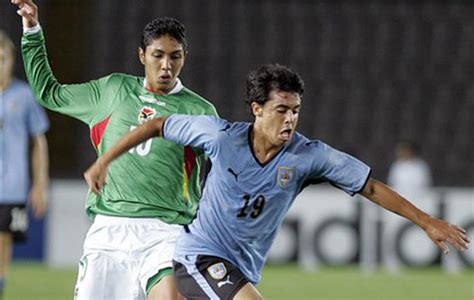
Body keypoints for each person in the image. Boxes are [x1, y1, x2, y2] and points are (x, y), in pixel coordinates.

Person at [84, 63, 470, 299]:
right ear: (257, 109)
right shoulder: (221, 136)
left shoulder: (308, 155)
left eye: (296, 111)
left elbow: (368, 185)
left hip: (242, 267)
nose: (290, 120)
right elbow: (156, 124)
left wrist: (428, 222)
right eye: (281, 110)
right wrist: (104, 161)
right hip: (197, 258)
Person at [12, 0, 218, 299]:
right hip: (110, 228)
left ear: (185, 57)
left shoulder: (199, 110)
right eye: (158, 55)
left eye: (175, 56)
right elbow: (49, 93)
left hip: (168, 231)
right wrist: (32, 30)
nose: (166, 65)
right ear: (141, 55)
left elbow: (224, 168)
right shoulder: (112, 90)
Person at [0, 29, 49, 299]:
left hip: (12, 186)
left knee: (3, 243)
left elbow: (39, 141)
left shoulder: (24, 96)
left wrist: (40, 185)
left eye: (3, 58)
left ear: (11, 60)